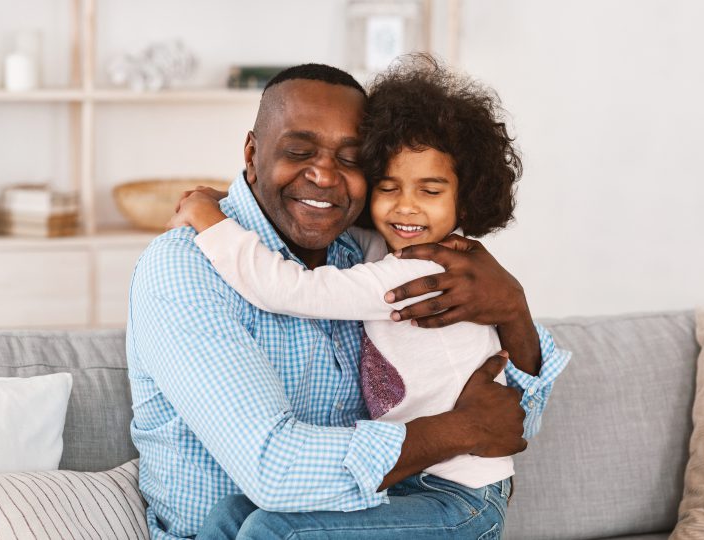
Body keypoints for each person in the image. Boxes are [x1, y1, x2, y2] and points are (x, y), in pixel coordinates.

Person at [127, 62, 569, 540]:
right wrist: (461, 429)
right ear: (251, 154)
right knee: (243, 517)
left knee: (271, 529)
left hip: (433, 503)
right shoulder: (186, 268)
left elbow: (510, 422)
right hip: (347, 506)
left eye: (351, 159)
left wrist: (513, 308)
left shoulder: (369, 256)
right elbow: (274, 472)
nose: (323, 175)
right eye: (298, 151)